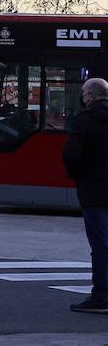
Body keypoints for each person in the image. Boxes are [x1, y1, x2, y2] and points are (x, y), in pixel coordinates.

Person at [62, 76, 108, 313]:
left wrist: (79, 175)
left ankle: (101, 297)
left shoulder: (85, 121)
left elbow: (71, 155)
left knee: (100, 245)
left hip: (94, 193)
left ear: (90, 96)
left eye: (83, 92)